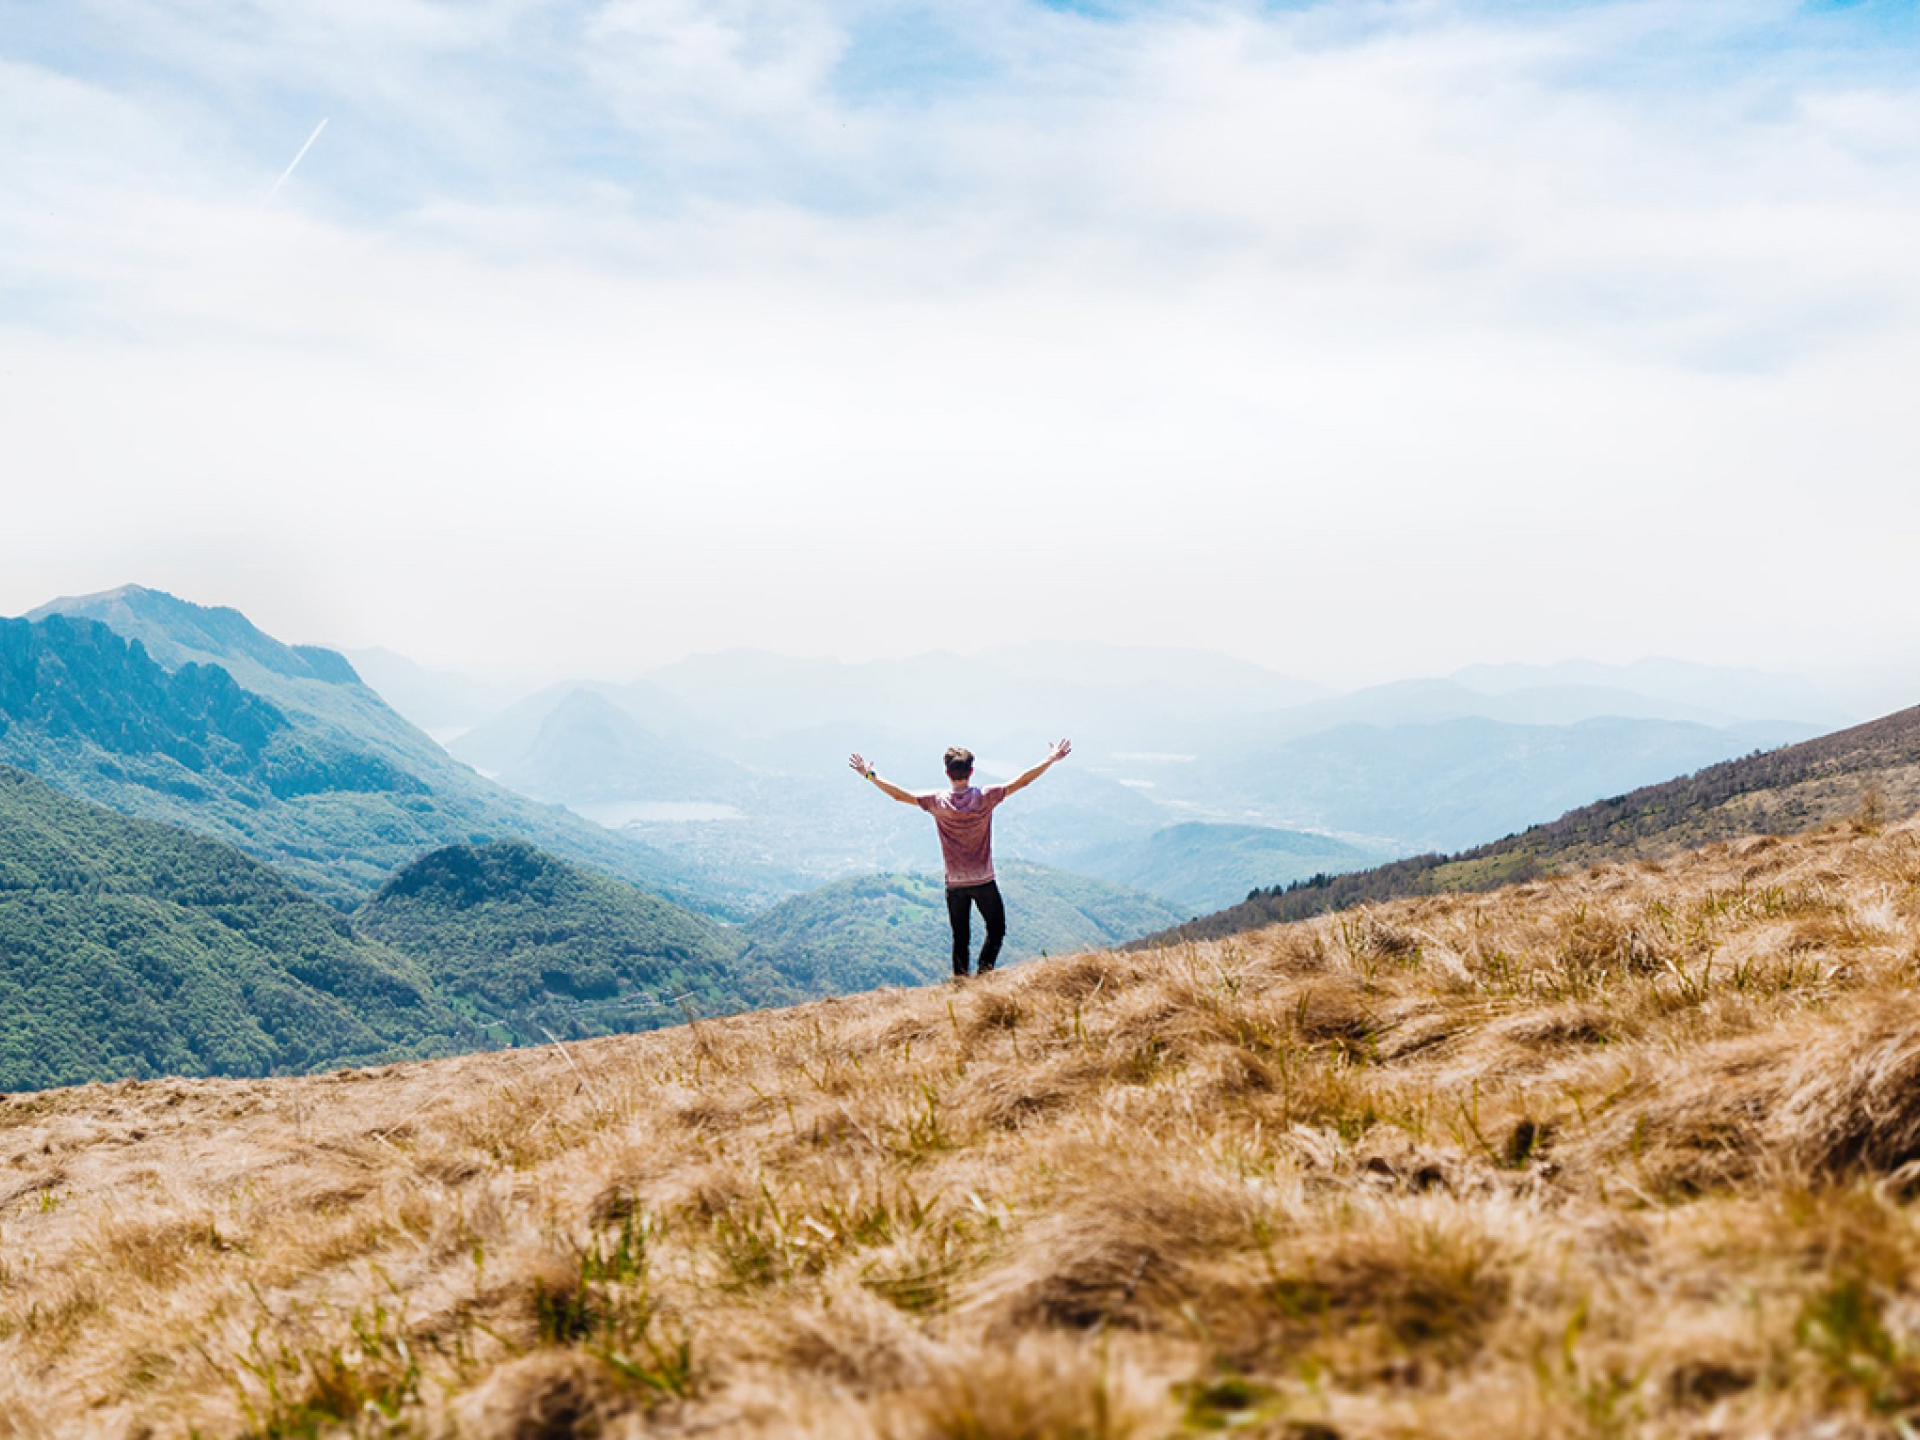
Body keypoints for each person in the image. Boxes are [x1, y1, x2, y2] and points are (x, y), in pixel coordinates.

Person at [848, 739, 1072, 980]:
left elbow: (900, 796)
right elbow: (1023, 781)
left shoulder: (937, 802)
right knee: (996, 930)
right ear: (971, 771)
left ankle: (960, 986)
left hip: (955, 884)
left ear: (947, 773)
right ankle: (984, 975)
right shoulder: (986, 797)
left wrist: (869, 775)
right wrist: (1051, 758)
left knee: (960, 939)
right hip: (984, 881)